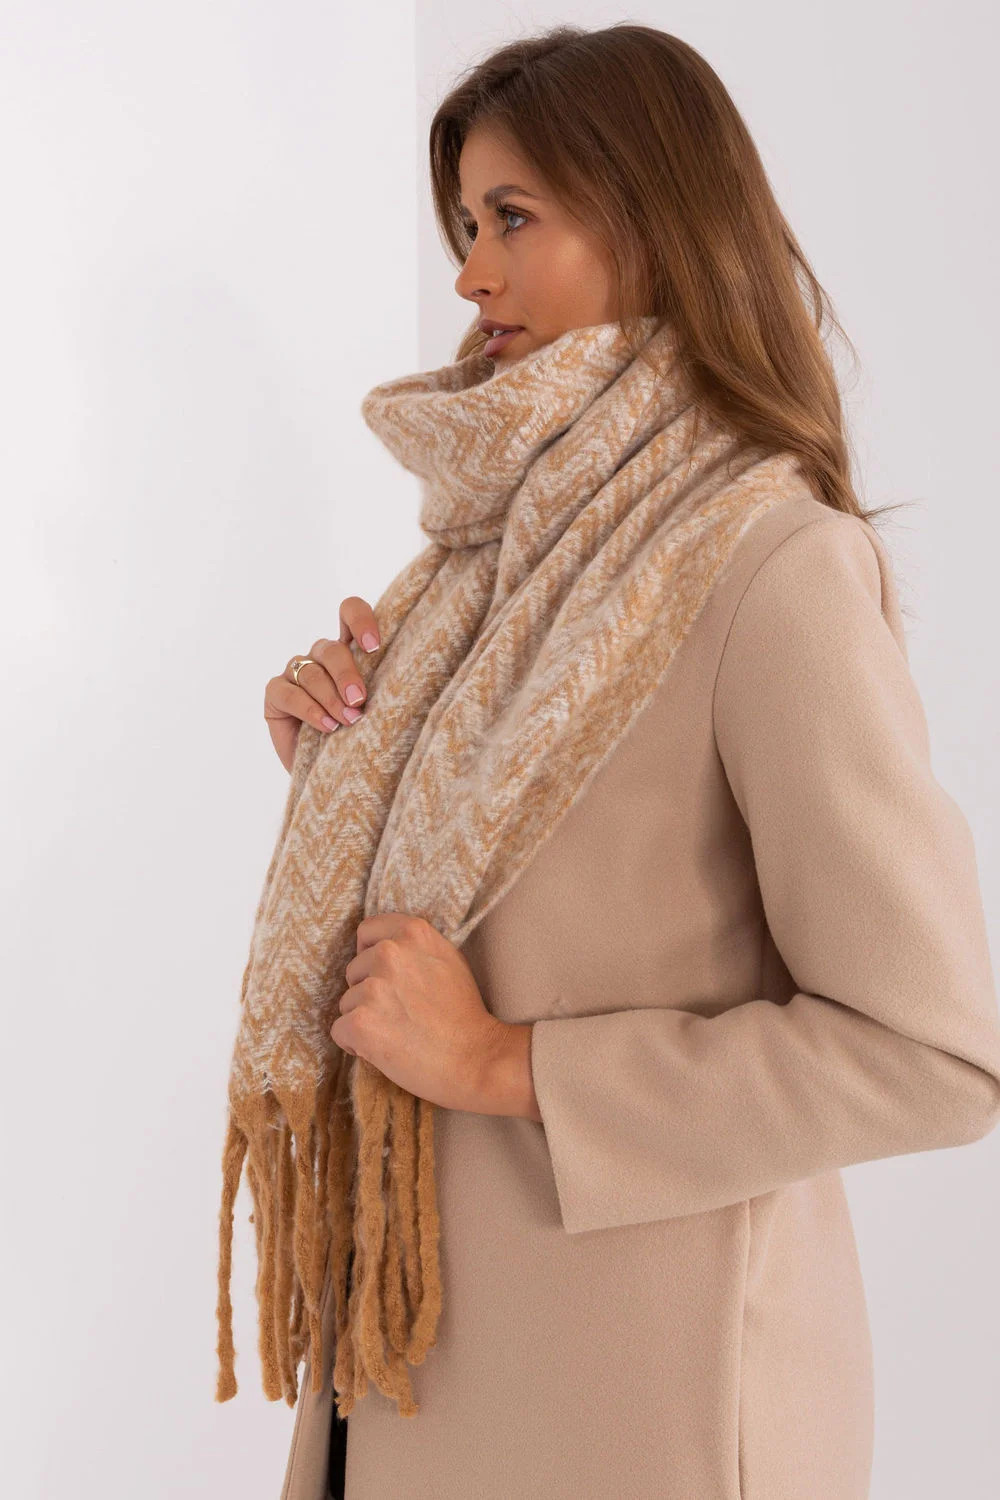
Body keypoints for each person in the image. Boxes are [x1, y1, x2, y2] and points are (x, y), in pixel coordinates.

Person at [260, 24, 1000, 1500]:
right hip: (416, 1367)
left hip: (639, 1412)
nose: (471, 274)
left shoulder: (773, 567)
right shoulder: (485, 570)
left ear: (651, 221)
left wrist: (505, 1063)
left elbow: (932, 1058)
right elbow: (538, 888)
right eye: (466, 225)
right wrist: (347, 767)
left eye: (513, 217)